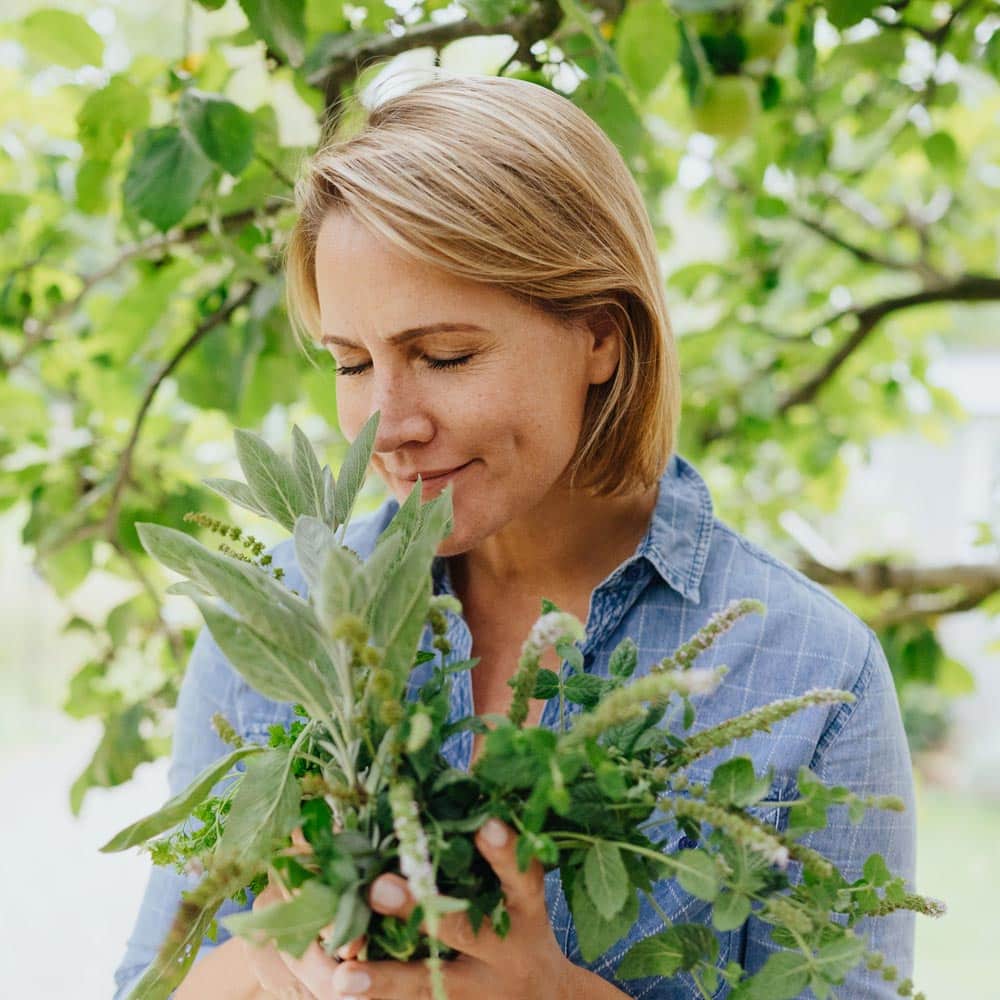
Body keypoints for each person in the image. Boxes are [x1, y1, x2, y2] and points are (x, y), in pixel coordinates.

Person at [113, 72, 916, 1000]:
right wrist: (267, 963)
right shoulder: (281, 615)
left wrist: (559, 995)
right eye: (352, 363)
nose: (389, 425)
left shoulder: (809, 671)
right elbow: (151, 981)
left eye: (444, 356)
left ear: (601, 337)